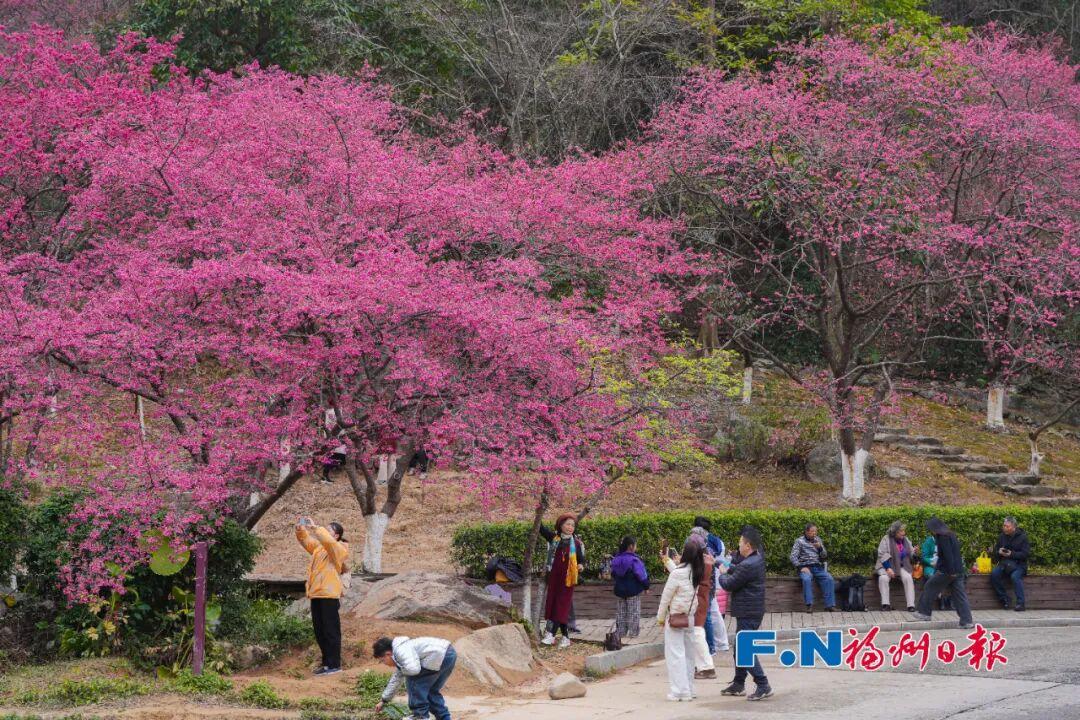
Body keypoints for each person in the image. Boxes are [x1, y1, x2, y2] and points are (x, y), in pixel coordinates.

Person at [718, 526, 772, 701]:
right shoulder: (755, 559)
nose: (738, 545)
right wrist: (724, 564)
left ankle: (763, 684)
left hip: (749, 612)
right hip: (751, 610)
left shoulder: (749, 564)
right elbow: (738, 569)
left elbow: (728, 583)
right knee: (740, 649)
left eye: (740, 543)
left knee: (744, 650)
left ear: (748, 546)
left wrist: (721, 574)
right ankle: (739, 683)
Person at [295, 517, 349, 675]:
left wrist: (316, 528)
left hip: (329, 594)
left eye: (329, 530)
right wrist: (301, 529)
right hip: (316, 594)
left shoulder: (340, 548)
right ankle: (326, 664)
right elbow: (306, 541)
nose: (324, 532)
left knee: (331, 631)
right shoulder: (319, 548)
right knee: (320, 630)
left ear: (336, 535)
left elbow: (329, 542)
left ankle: (335, 665)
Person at [656, 540, 703, 702]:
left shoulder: (679, 573)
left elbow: (665, 598)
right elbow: (679, 572)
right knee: (689, 655)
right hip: (690, 618)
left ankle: (679, 691)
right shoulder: (697, 571)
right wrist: (667, 560)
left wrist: (660, 619)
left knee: (675, 655)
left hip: (676, 618)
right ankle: (690, 688)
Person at [373, 635, 457, 720]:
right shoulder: (403, 653)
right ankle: (445, 717)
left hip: (438, 655)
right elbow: (396, 679)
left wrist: (403, 671)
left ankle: (420, 716)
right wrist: (384, 700)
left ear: (388, 654)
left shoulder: (400, 650)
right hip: (448, 654)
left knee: (412, 680)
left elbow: (413, 670)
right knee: (431, 691)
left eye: (382, 660)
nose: (385, 664)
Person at [911, 517, 974, 628]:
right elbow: (956, 554)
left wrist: (950, 571)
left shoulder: (942, 537)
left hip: (948, 571)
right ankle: (967, 621)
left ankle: (924, 613)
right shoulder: (951, 534)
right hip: (958, 570)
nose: (931, 531)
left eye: (931, 528)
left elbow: (948, 555)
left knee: (930, 586)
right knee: (960, 595)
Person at [540, 514, 584, 648]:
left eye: (572, 525)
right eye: (568, 524)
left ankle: (551, 635)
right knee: (556, 606)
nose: (570, 527)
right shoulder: (554, 539)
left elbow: (581, 559)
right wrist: (539, 512)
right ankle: (565, 637)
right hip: (554, 579)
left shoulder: (576, 543)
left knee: (561, 605)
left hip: (568, 581)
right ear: (560, 525)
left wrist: (581, 565)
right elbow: (541, 529)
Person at [693, 517, 724, 657]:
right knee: (712, 613)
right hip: (711, 584)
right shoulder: (716, 542)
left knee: (708, 616)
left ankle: (712, 647)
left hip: (705, 585)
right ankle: (719, 644)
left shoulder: (702, 549)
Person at [789, 523, 836, 612]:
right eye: (812, 531)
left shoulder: (818, 540)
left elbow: (824, 555)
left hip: (817, 567)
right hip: (805, 567)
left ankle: (829, 605)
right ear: (806, 532)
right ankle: (809, 605)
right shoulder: (799, 541)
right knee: (806, 579)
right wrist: (800, 567)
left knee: (829, 578)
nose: (814, 533)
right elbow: (793, 556)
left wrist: (820, 548)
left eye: (815, 531)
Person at [611, 535, 649, 640]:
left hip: (619, 590)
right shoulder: (634, 560)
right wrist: (646, 586)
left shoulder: (616, 560)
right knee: (633, 611)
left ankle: (621, 632)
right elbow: (642, 575)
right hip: (633, 590)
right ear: (631, 546)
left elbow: (613, 574)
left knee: (621, 612)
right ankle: (633, 633)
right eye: (635, 545)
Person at [990, 516, 1030, 611]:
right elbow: (996, 553)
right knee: (994, 574)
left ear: (1013, 527)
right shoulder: (1002, 537)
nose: (1004, 528)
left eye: (1007, 526)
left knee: (1015, 577)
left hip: (1019, 565)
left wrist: (1011, 554)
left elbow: (1025, 554)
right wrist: (998, 552)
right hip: (1005, 564)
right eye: (1004, 526)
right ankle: (1004, 599)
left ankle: (1021, 603)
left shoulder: (1023, 537)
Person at [875, 521, 916, 612]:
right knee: (883, 578)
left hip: (901, 566)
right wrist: (888, 568)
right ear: (895, 532)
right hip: (887, 565)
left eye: (903, 531)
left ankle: (911, 605)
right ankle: (885, 604)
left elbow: (911, 553)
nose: (903, 533)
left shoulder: (906, 540)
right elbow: (882, 554)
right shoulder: (886, 539)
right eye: (901, 531)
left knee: (908, 578)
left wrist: (914, 552)